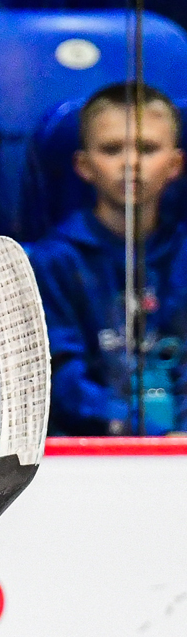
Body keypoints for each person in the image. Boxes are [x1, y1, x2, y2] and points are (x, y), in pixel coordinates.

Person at [30, 82, 187, 435]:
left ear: (175, 164)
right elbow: (57, 374)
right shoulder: (55, 261)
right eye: (112, 149)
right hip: (88, 447)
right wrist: (140, 428)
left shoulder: (183, 253)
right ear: (84, 165)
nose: (130, 163)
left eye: (147, 149)